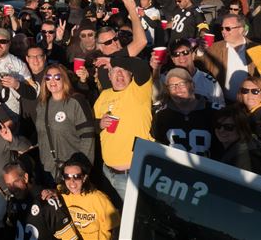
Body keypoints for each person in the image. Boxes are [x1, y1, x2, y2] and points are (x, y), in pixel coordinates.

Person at [93, 56, 153, 203]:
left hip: (133, 173)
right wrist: (99, 124)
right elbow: (93, 126)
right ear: (109, 75)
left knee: (137, 218)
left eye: (124, 70)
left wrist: (114, 60)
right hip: (107, 172)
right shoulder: (104, 95)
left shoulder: (139, 90)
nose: (119, 74)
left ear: (131, 74)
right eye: (115, 71)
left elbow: (142, 67)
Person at [35, 64, 96, 184]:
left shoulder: (75, 101)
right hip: (48, 170)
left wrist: (82, 168)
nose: (52, 81)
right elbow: (42, 135)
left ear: (64, 79)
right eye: (48, 77)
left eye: (57, 77)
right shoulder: (42, 105)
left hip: (71, 172)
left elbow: (88, 137)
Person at [3, 162, 76, 240]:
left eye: (16, 182)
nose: (13, 188)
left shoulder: (46, 201)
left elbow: (70, 238)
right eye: (8, 185)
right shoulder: (14, 203)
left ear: (25, 177)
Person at [151, 68, 216, 156]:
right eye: (172, 86)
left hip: (208, 168)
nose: (177, 89)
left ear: (192, 85)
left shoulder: (214, 112)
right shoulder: (160, 115)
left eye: (182, 84)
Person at [198, 13, 257, 102]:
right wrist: (200, 50)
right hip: (224, 102)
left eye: (228, 28)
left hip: (249, 102)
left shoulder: (256, 49)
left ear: (241, 29)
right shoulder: (215, 48)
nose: (223, 31)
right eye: (222, 28)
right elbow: (199, 66)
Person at [58, 157, 120, 240]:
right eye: (67, 176)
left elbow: (116, 227)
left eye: (76, 176)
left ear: (84, 178)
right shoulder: (60, 193)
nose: (71, 181)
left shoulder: (98, 198)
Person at [152, 38, 225, 107]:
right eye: (176, 54)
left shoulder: (209, 82)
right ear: (172, 59)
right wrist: (156, 69)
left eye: (185, 52)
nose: (181, 57)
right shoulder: (164, 79)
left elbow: (220, 110)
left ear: (192, 55)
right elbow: (156, 100)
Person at [213, 105, 261, 175]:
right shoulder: (222, 148)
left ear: (242, 129)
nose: (221, 130)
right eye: (218, 125)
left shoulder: (248, 159)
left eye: (228, 127)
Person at [236, 77, 261, 153]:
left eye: (255, 91)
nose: (249, 94)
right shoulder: (241, 111)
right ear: (240, 93)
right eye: (245, 91)